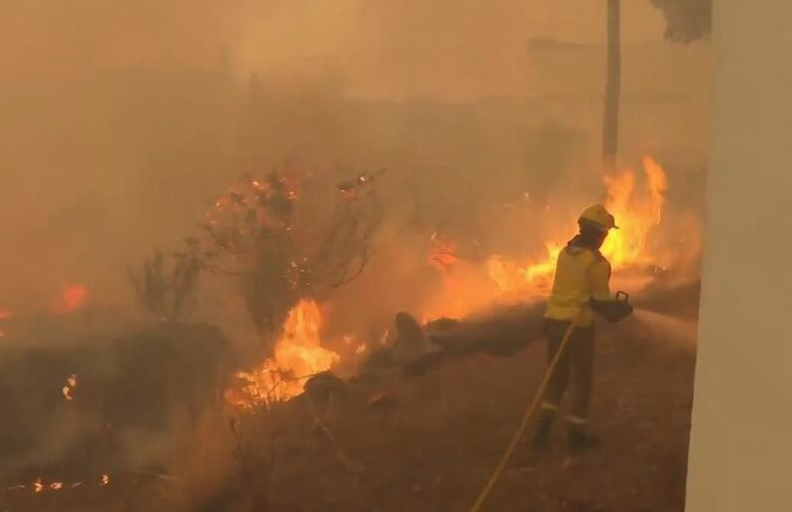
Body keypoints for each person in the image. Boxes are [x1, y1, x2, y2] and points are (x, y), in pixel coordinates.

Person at [532, 204, 629, 453]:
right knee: (583, 381)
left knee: (557, 378)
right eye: (605, 233)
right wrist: (619, 311)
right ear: (599, 234)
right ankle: (576, 438)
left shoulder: (565, 254)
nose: (605, 238)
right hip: (578, 328)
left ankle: (541, 434)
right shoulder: (596, 263)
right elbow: (600, 300)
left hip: (553, 323)